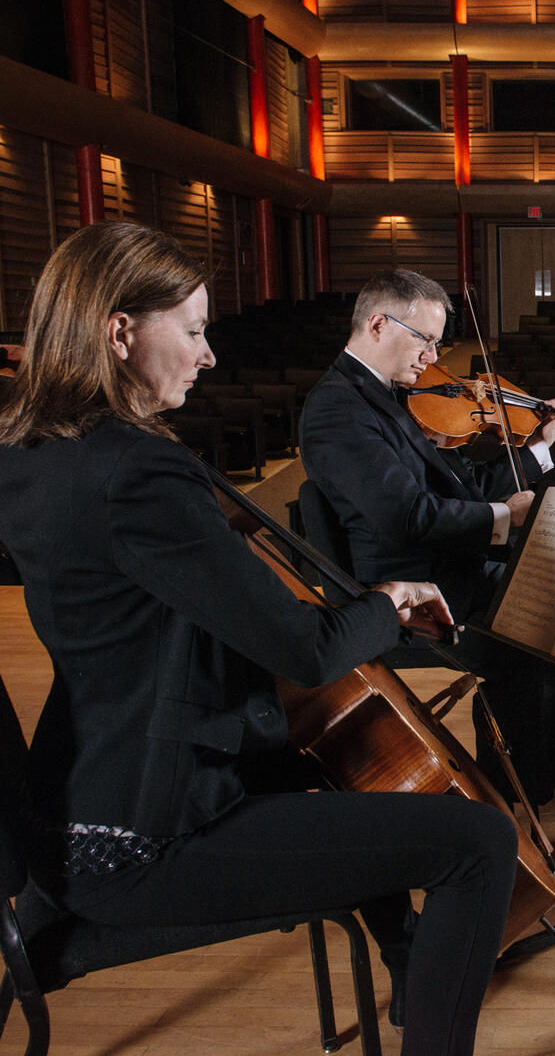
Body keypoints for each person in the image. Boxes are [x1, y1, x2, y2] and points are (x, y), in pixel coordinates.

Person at [0, 221, 518, 1056]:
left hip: (76, 792)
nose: (209, 356)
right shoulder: (139, 474)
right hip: (145, 834)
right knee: (478, 845)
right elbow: (307, 651)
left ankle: (413, 963)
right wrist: (386, 605)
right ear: (120, 331)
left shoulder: (29, 455)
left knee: (331, 766)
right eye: (196, 330)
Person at [298, 269, 555, 806]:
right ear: (379, 323)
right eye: (425, 340)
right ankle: (510, 790)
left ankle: (540, 753)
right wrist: (504, 514)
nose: (433, 358)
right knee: (533, 631)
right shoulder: (338, 408)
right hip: (411, 590)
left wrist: (540, 448)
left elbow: (464, 486)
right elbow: (406, 517)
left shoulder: (388, 396)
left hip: (443, 563)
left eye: (436, 343)